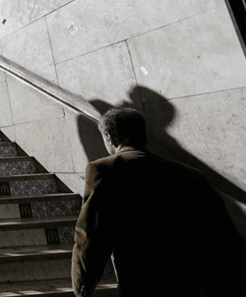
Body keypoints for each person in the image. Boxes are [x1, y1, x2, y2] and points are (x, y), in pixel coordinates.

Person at [71, 107, 246, 297]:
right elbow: (226, 233)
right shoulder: (193, 175)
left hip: (145, 284)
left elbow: (91, 235)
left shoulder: (106, 170)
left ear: (110, 137)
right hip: (198, 284)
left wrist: (83, 285)